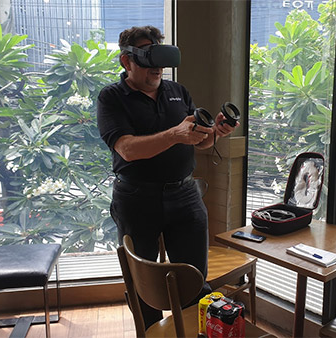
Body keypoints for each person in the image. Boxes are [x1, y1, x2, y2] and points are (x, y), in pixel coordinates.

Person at [96, 26, 238, 327]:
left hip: (184, 195)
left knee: (194, 278)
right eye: (149, 59)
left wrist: (215, 134)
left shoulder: (178, 92)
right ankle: (150, 333)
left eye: (161, 58)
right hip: (136, 197)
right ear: (126, 61)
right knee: (143, 282)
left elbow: (200, 142)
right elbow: (127, 149)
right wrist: (175, 134)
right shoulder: (111, 97)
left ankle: (191, 333)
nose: (158, 67)